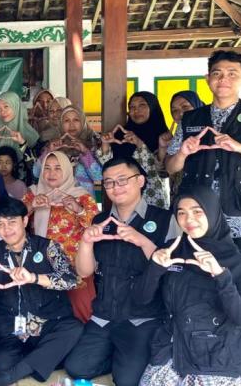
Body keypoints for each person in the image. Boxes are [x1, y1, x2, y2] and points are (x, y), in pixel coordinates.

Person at [165, 51, 241, 385]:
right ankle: (201, 351)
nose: (224, 79)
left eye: (232, 73)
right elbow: (170, 167)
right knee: (198, 283)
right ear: (208, 78)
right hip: (198, 220)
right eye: (218, 73)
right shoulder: (192, 118)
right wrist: (183, 152)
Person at [64, 157, 172, 385]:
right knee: (76, 368)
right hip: (105, 314)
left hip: (142, 316)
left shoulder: (164, 219)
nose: (116, 187)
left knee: (126, 381)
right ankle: (119, 355)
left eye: (122, 180)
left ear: (140, 181)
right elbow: (84, 272)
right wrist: (86, 242)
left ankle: (128, 359)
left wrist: (143, 241)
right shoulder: (101, 220)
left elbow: (174, 270)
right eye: (109, 182)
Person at [136, 187, 241, 386]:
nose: (189, 219)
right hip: (172, 351)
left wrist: (221, 276)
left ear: (212, 211)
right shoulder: (171, 252)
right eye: (181, 213)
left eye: (197, 211)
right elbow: (141, 300)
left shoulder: (238, 262)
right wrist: (155, 268)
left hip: (218, 357)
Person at [0, 198, 82, 386]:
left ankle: (11, 376)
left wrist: (34, 278)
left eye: (12, 222)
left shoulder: (47, 247)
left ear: (24, 221)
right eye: (0, 224)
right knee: (3, 360)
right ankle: (40, 361)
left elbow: (72, 279)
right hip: (12, 328)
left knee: (74, 328)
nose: (6, 229)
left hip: (49, 322)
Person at [24, 151, 99, 322]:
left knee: (82, 310)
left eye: (58, 168)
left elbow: (96, 226)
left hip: (75, 264)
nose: (51, 173)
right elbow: (14, 219)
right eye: (47, 168)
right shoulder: (33, 193)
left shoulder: (80, 195)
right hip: (42, 263)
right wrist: (32, 205)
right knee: (46, 313)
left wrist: (78, 209)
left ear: (67, 170)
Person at [98, 91, 170, 209]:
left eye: (142, 105)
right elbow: (108, 167)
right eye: (132, 107)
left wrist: (139, 143)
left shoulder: (163, 136)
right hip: (124, 199)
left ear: (152, 107)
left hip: (153, 200)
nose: (136, 110)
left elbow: (161, 172)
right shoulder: (121, 135)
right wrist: (105, 144)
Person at [36, 105, 102, 194]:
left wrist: (85, 151)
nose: (71, 125)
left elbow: (98, 176)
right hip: (57, 200)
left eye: (76, 120)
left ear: (83, 121)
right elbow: (36, 172)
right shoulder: (54, 144)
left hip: (84, 200)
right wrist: (49, 151)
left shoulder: (93, 144)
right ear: (61, 124)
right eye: (66, 121)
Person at [0, 91, 38, 170]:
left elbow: (35, 169)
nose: (2, 111)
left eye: (6, 106)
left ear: (16, 106)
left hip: (23, 177)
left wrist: (22, 143)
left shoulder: (31, 134)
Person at [165, 90, 204, 198]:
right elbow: (169, 169)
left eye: (185, 107)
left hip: (207, 193)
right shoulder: (179, 132)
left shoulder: (212, 125)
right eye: (174, 110)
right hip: (181, 194)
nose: (181, 114)